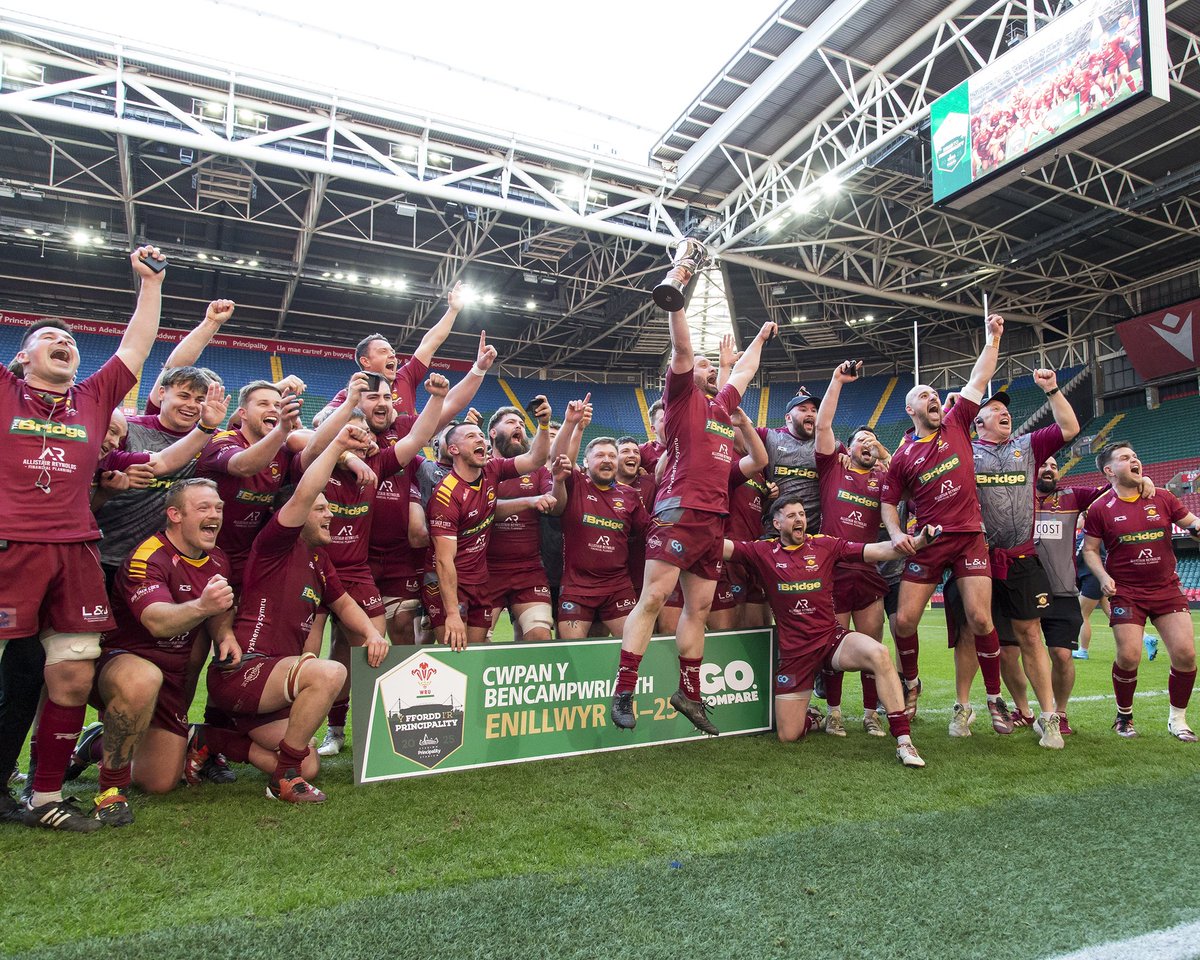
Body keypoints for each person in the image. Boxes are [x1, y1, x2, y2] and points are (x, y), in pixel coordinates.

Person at [0, 246, 167, 832]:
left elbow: (137, 346)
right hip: (10, 548)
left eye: (69, 339)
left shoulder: (94, 400)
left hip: (75, 552)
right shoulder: (5, 394)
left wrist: (150, 284)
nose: (62, 341)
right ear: (22, 358)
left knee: (72, 672)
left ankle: (45, 797)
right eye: (48, 336)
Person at [609, 278, 775, 736]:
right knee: (655, 597)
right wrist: (676, 302)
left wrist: (758, 340)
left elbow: (743, 373)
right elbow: (681, 348)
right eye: (700, 364)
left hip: (712, 524)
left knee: (697, 610)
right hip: (678, 512)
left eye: (708, 365)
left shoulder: (723, 408)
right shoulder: (681, 400)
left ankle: (690, 693)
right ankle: (624, 688)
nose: (704, 366)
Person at [200, 423, 390, 803]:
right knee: (330, 671)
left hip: (273, 684)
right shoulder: (276, 544)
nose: (329, 515)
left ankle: (211, 738)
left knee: (311, 764)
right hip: (245, 671)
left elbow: (344, 603)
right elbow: (304, 491)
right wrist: (338, 446)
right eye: (321, 509)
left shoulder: (320, 559)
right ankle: (283, 779)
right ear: (296, 514)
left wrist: (372, 634)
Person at [723, 495, 941, 766]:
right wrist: (685, 527)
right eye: (791, 516)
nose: (799, 519)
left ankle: (904, 741)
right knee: (788, 735)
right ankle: (812, 717)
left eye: (802, 514)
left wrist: (918, 542)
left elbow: (876, 551)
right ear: (777, 523)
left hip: (830, 639)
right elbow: (722, 547)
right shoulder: (762, 551)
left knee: (879, 653)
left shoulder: (825, 545)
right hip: (795, 653)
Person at [881, 313, 1010, 732]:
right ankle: (912, 682)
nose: (934, 398)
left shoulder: (957, 420)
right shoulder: (901, 458)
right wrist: (898, 533)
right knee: (903, 622)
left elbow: (978, 376)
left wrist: (992, 341)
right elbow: (888, 502)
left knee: (981, 620)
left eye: (936, 393)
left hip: (970, 538)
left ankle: (993, 699)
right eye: (925, 395)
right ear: (910, 408)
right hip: (928, 543)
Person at [84, 479, 239, 825]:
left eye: (218, 508)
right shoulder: (147, 557)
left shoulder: (218, 560)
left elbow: (220, 606)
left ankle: (95, 742)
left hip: (171, 677)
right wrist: (202, 606)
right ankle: (110, 791)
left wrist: (224, 632)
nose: (214, 515)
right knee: (143, 677)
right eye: (203, 508)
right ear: (174, 515)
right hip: (123, 663)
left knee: (159, 783)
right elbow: (156, 621)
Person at [310, 372, 450, 757]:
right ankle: (325, 731)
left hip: (356, 571)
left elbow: (417, 438)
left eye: (364, 435)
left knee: (370, 642)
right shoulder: (317, 462)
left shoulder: (383, 464)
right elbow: (306, 437)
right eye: (351, 431)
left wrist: (436, 398)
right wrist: (347, 453)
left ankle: (389, 728)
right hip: (314, 567)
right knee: (318, 652)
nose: (361, 438)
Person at [947, 372, 1077, 749]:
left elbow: (1069, 426)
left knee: (1030, 634)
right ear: (977, 421)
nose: (1004, 413)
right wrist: (957, 405)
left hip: (1021, 558)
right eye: (994, 409)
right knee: (970, 632)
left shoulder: (1029, 445)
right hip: (976, 557)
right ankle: (962, 707)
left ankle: (1048, 717)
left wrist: (1051, 389)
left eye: (1006, 409)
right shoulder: (963, 449)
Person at [1080, 442, 1200, 741]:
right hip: (1126, 591)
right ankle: (1124, 716)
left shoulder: (1162, 496)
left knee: (1185, 654)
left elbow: (1192, 524)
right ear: (1109, 470)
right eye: (1125, 458)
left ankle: (1177, 719)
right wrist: (1103, 575)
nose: (1134, 460)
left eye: (1135, 456)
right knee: (1130, 656)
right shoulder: (1100, 508)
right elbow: (1091, 550)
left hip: (1166, 588)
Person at [427, 398, 556, 650]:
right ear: (453, 450)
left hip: (480, 580)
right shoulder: (446, 496)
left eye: (480, 436)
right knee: (457, 653)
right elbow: (443, 561)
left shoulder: (492, 470)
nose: (481, 441)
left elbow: (535, 459)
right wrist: (452, 613)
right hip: (453, 582)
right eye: (471, 437)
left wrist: (543, 425)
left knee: (475, 654)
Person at [814, 361, 892, 736]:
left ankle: (870, 712)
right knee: (834, 646)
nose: (867, 444)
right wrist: (836, 381)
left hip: (868, 572)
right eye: (860, 439)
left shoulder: (884, 480)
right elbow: (823, 426)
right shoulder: (833, 468)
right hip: (834, 570)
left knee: (871, 646)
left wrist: (882, 450)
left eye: (872, 441)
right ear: (849, 445)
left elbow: (903, 472)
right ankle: (833, 712)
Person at [1029, 456, 1135, 734]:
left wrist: (1142, 481)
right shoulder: (1016, 496)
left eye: (1054, 466)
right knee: (1009, 652)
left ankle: (1059, 713)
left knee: (1062, 656)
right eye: (1043, 464)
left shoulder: (1073, 496)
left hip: (1062, 591)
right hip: (1020, 588)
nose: (1049, 470)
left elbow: (1112, 489)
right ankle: (1022, 709)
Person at [550, 433, 650, 639]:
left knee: (635, 646)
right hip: (577, 587)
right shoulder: (575, 483)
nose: (607, 460)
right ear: (585, 461)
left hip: (618, 586)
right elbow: (558, 459)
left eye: (612, 456)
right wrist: (577, 427)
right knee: (572, 654)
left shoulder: (629, 495)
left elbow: (648, 532)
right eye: (600, 455)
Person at [316, 283, 466, 420]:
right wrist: (351, 404)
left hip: (407, 449)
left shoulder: (405, 377)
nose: (392, 355)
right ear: (365, 361)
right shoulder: (352, 393)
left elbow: (430, 343)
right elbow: (319, 419)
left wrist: (452, 311)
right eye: (383, 351)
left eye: (392, 351)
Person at [485, 405, 556, 641]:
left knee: (539, 635)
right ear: (493, 433)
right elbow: (480, 510)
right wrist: (529, 501)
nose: (518, 426)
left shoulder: (537, 471)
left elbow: (555, 501)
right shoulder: (480, 468)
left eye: (522, 424)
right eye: (510, 422)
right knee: (474, 641)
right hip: (485, 569)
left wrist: (544, 425)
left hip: (528, 569)